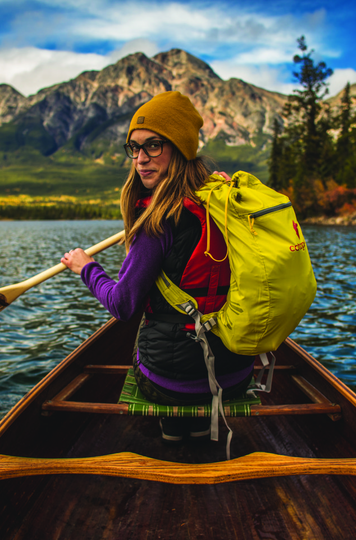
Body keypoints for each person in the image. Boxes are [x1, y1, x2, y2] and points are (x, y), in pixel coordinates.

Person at [62, 91, 255, 444]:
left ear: (179, 147)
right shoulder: (224, 201)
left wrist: (86, 267)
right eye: (134, 148)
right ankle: (200, 435)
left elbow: (123, 304)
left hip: (174, 382)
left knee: (142, 343)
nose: (140, 158)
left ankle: (175, 438)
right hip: (237, 371)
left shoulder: (158, 220)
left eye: (153, 146)